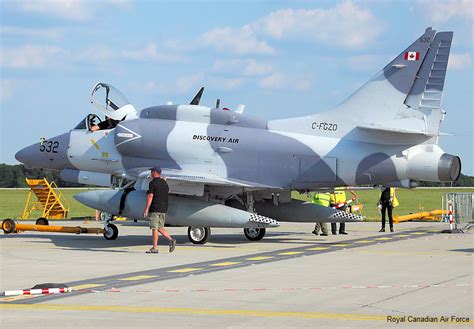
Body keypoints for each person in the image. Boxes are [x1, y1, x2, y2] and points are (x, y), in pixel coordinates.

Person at [143, 166, 176, 254]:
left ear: (155, 172)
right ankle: (171, 240)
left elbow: (150, 196)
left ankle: (154, 248)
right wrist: (164, 181)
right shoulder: (164, 183)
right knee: (160, 227)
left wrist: (146, 209)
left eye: (152, 171)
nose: (151, 173)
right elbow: (168, 191)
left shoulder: (152, 183)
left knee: (154, 228)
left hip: (155, 208)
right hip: (163, 208)